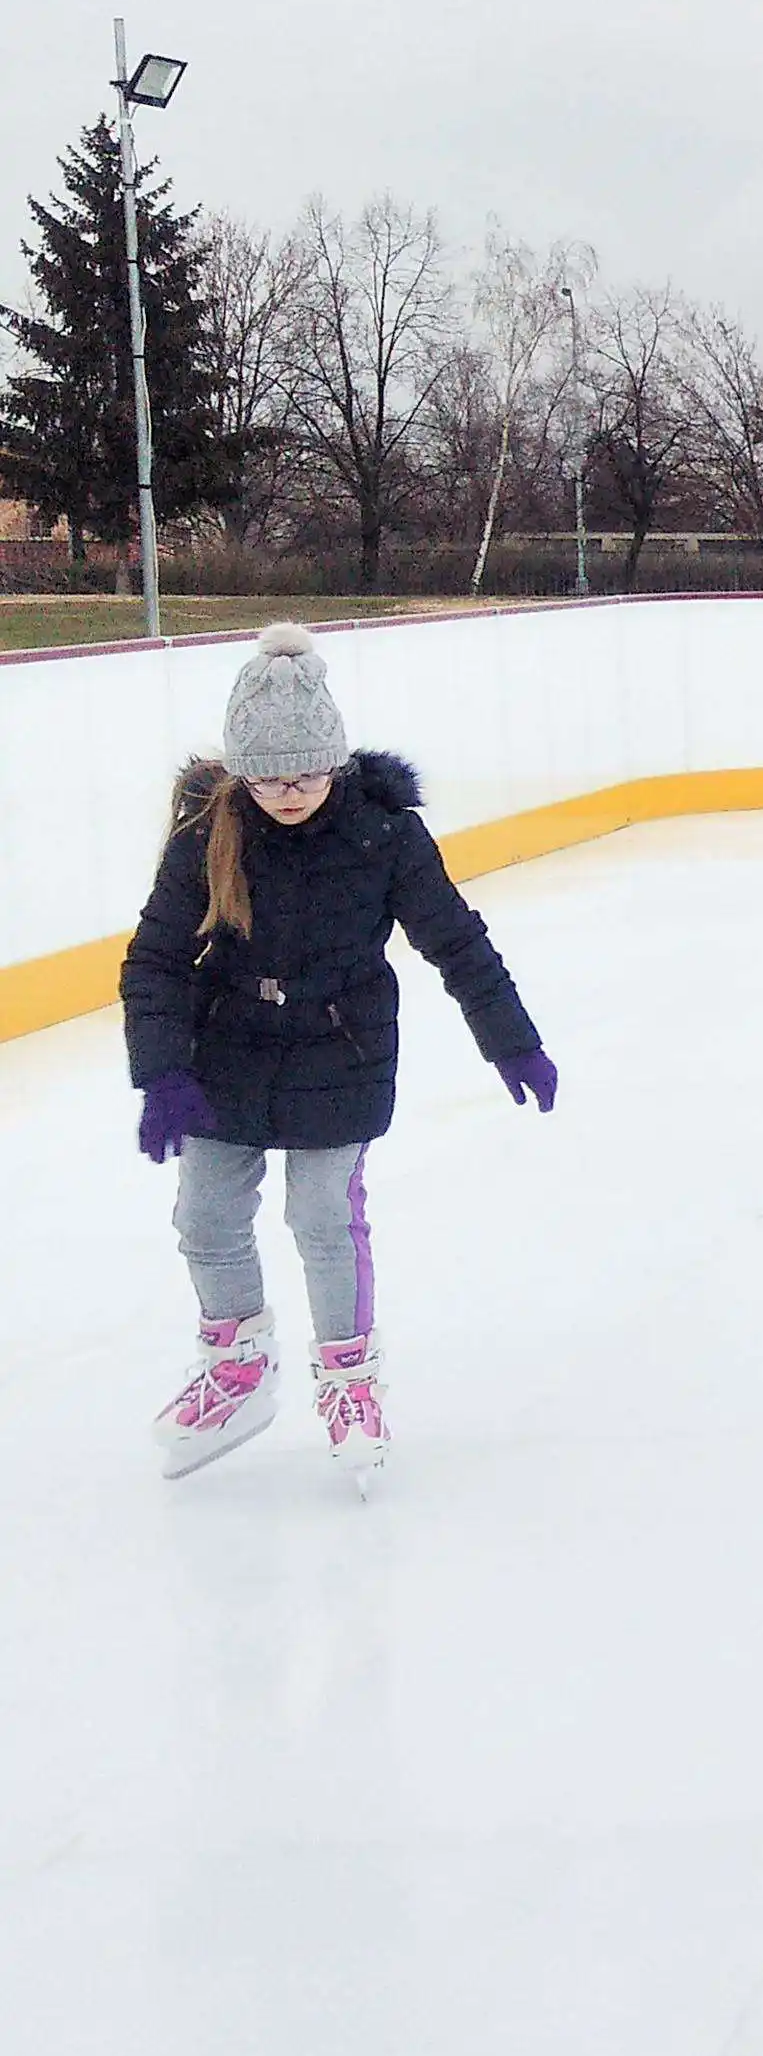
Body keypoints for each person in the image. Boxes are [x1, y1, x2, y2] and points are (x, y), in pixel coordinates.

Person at [121, 623, 558, 1487]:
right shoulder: (208, 836)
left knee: (323, 1215)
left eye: (308, 773)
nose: (290, 791)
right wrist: (163, 1070)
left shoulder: (383, 835)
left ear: (337, 760)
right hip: (231, 1045)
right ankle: (237, 1361)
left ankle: (351, 1382)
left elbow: (456, 942)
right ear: (242, 772)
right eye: (270, 776)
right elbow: (157, 959)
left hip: (341, 1043)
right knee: (203, 1216)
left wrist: (513, 1041)